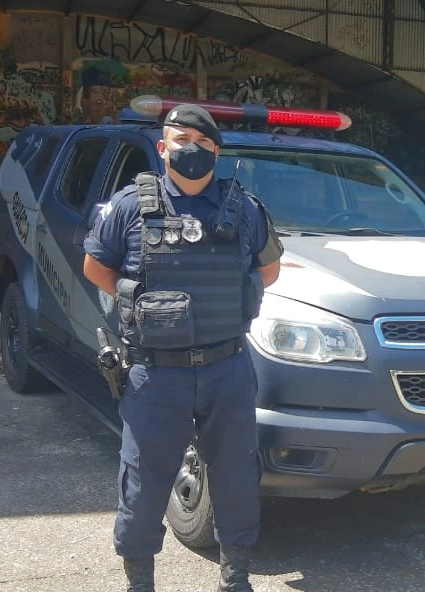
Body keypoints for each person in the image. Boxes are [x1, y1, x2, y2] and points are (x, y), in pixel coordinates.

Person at [82, 103, 284, 591]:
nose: (193, 150)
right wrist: (144, 307)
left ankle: (235, 579)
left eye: (204, 143)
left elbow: (269, 270)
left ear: (217, 152)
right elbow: (96, 267)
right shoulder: (130, 206)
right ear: (162, 147)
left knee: (236, 476)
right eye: (182, 140)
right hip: (156, 372)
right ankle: (140, 583)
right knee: (143, 482)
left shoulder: (245, 208)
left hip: (226, 367)